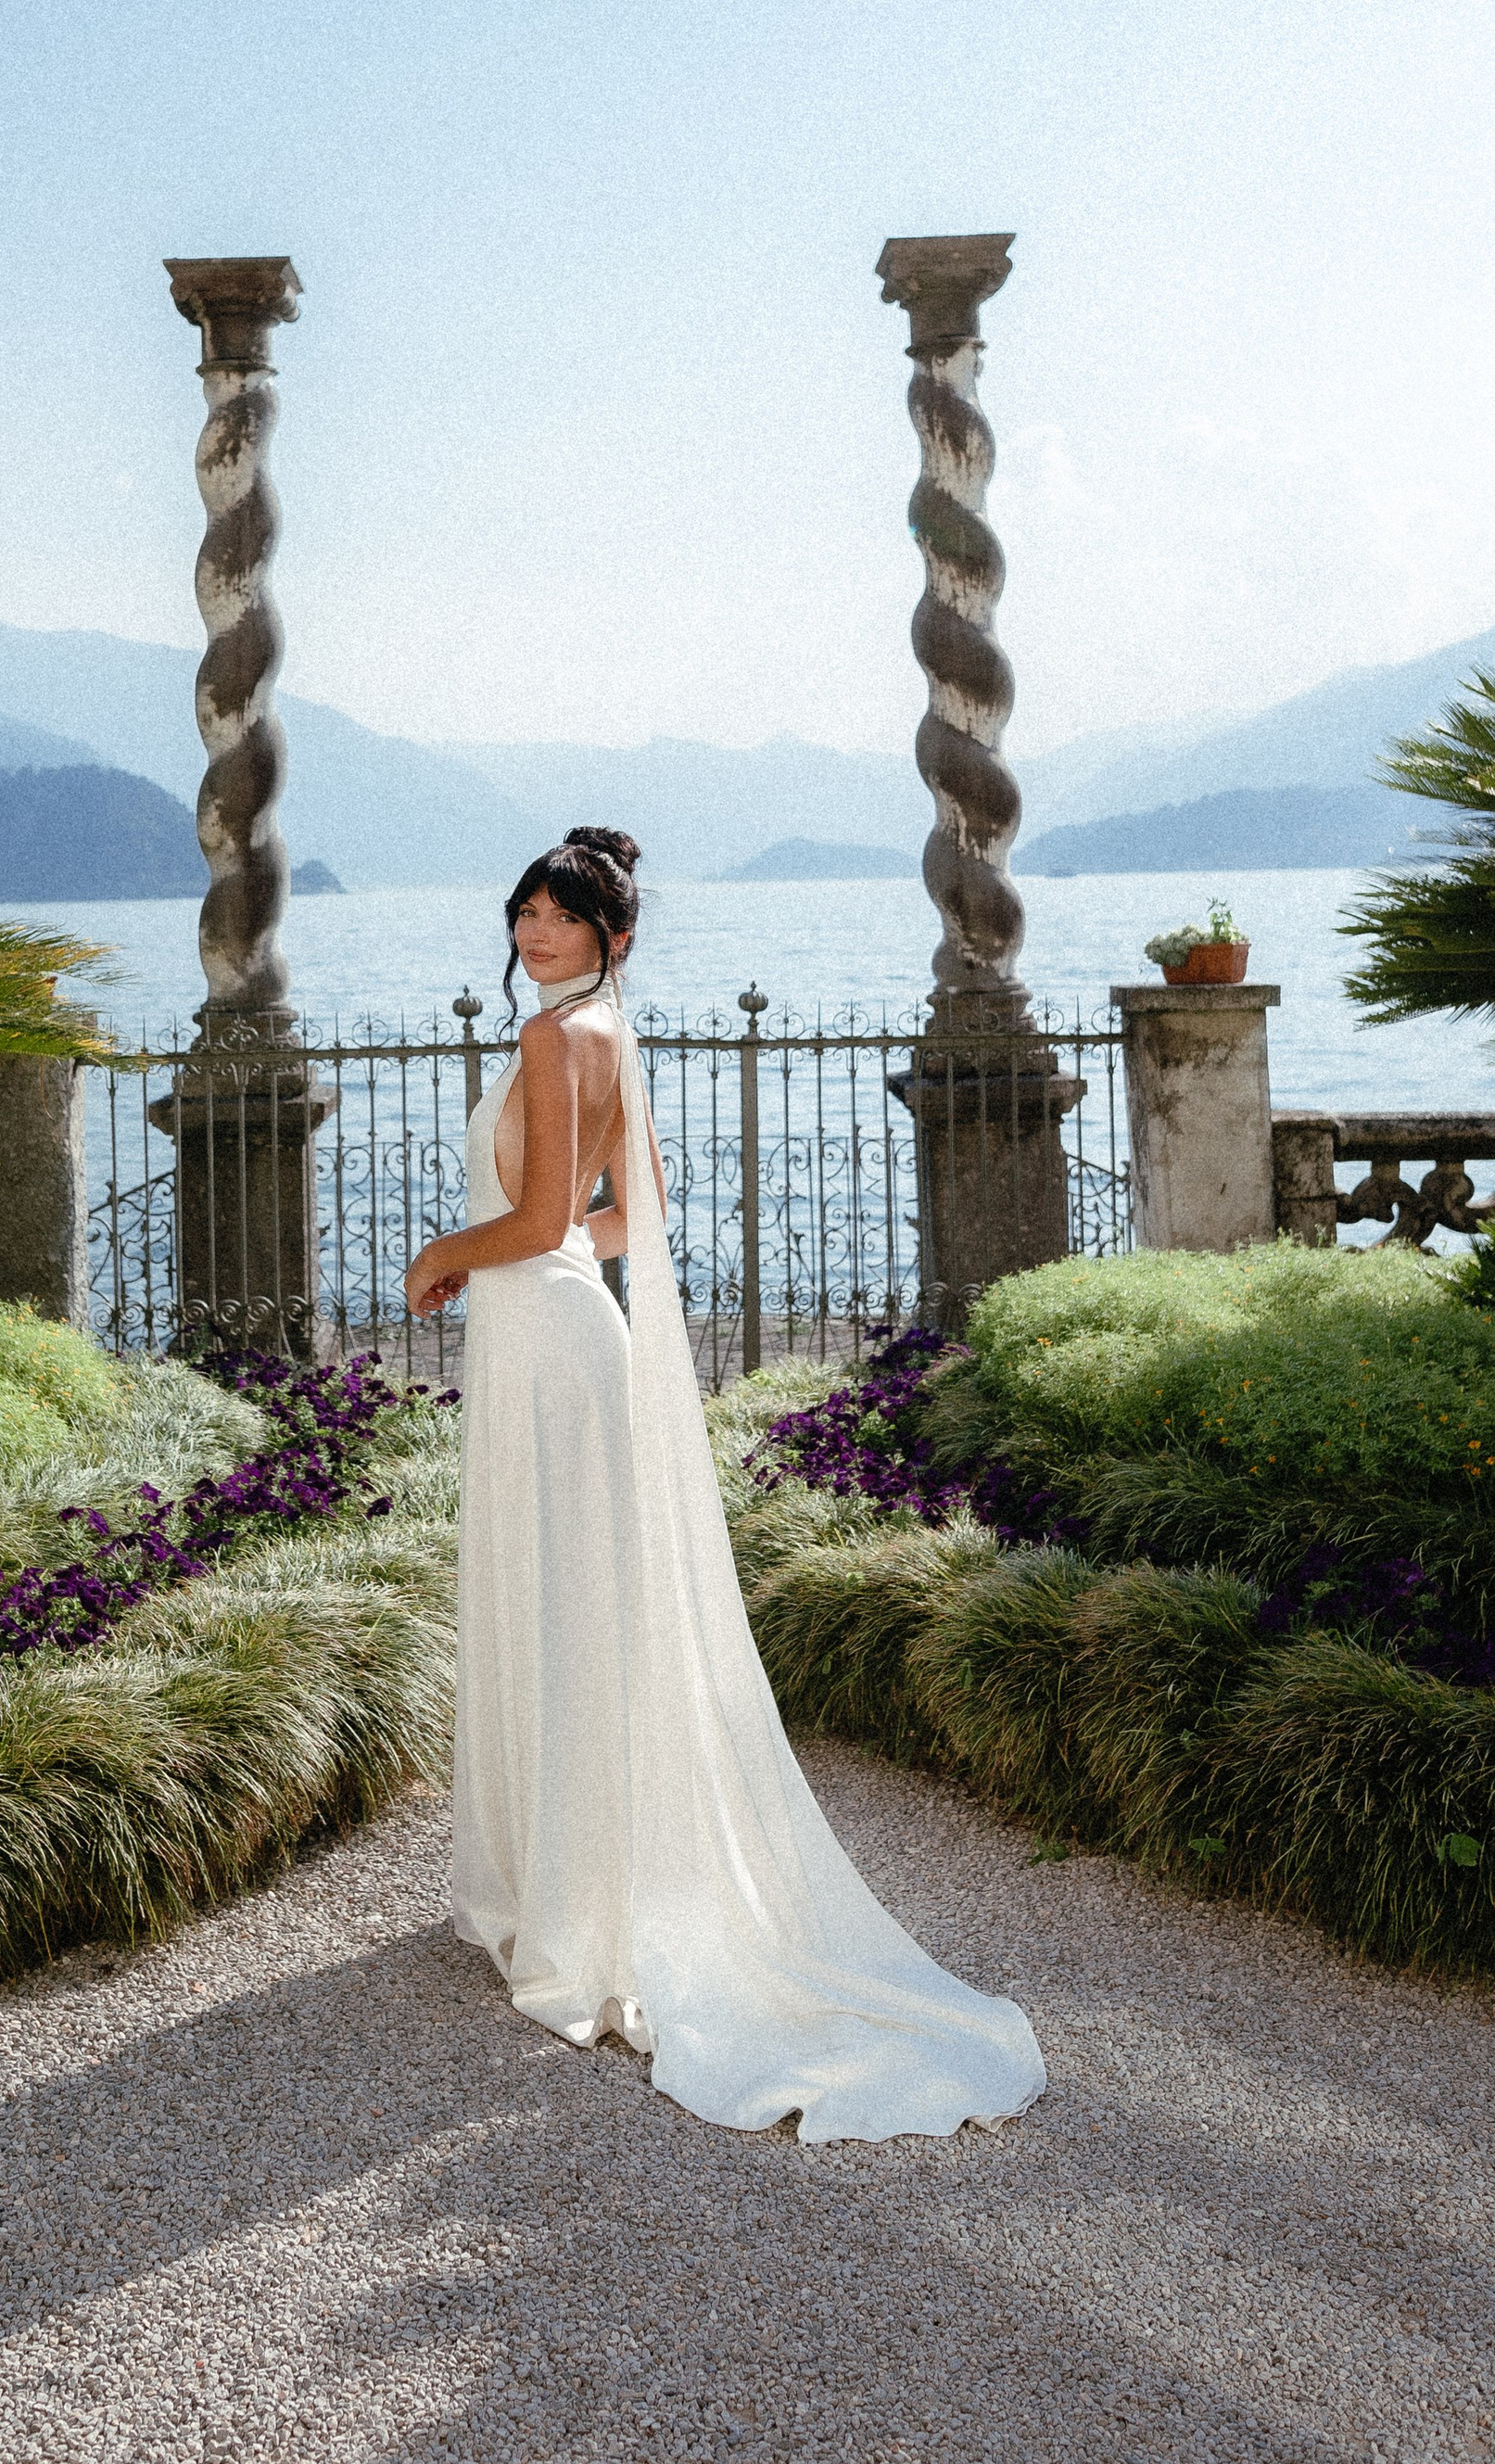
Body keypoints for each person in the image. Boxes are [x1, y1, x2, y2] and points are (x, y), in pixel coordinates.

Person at [403, 827, 1045, 2144]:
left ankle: (570, 1912)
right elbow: (622, 1219)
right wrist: (535, 1260)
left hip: (544, 1340)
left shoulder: (550, 1039)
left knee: (555, 1601)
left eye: (562, 917)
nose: (535, 933)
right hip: (568, 1333)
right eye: (524, 910)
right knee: (575, 1602)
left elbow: (534, 1225)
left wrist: (444, 1253)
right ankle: (579, 1887)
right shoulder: (610, 1034)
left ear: (612, 937)